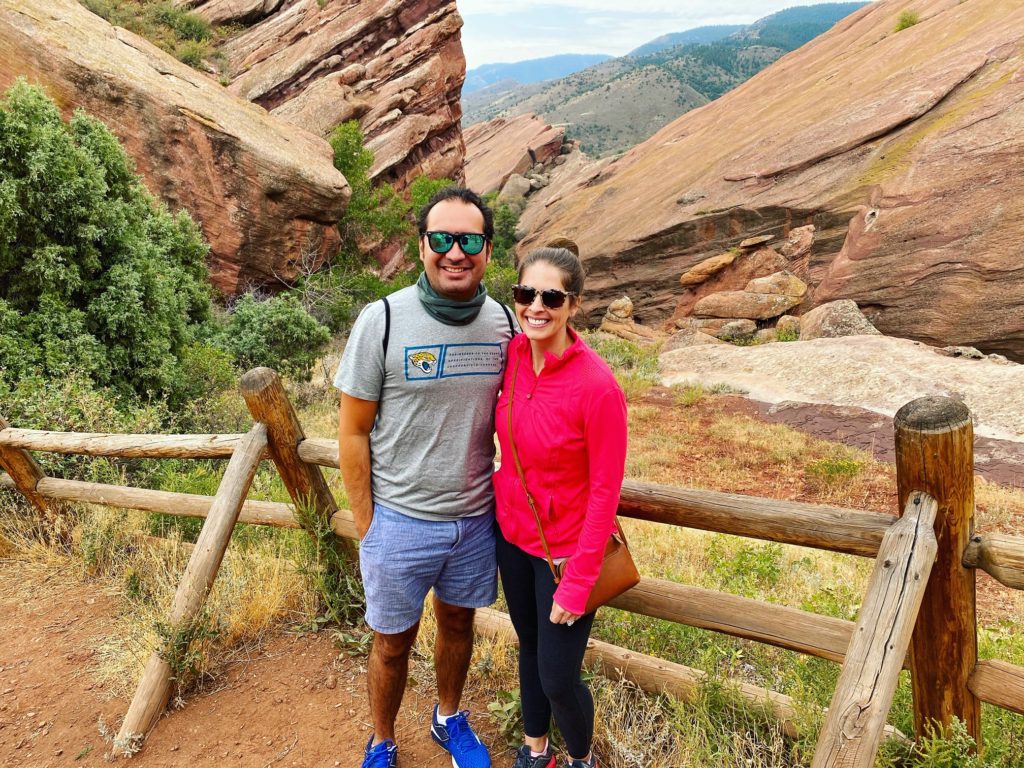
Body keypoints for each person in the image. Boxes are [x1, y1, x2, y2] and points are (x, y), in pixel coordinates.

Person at [335, 187, 517, 768]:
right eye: (442, 239)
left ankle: (447, 717)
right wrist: (369, 523)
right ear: (422, 247)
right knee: (391, 643)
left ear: (488, 250)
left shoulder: (507, 322)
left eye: (469, 240)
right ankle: (382, 740)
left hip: (474, 519)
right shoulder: (382, 319)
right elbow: (352, 430)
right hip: (400, 520)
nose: (455, 252)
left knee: (459, 625)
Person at [492, 245, 628, 768]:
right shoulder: (510, 357)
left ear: (574, 304)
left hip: (566, 555)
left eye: (551, 296)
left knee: (558, 677)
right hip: (514, 539)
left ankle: (580, 759)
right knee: (529, 648)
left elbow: (604, 492)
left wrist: (578, 581)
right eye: (526, 294)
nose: (536, 307)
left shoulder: (597, 387)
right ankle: (535, 751)